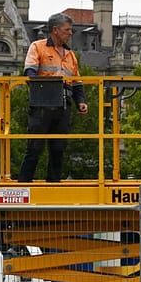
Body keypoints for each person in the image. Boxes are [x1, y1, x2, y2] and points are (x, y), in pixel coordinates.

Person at [17, 13, 88, 183]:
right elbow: (30, 71)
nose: (70, 33)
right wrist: (40, 90)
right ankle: (24, 183)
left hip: (63, 105)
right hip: (42, 105)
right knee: (35, 147)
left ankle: (54, 183)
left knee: (58, 148)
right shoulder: (38, 47)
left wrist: (81, 101)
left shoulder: (70, 55)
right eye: (67, 30)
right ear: (55, 30)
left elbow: (77, 82)